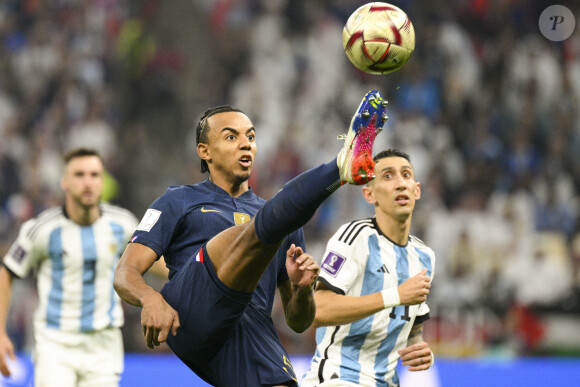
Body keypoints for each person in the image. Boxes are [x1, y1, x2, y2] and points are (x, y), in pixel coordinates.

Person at [113, 90, 389, 387]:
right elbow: (125, 273)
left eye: (251, 137)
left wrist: (303, 289)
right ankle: (340, 168)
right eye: (231, 137)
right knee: (249, 232)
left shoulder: (283, 219)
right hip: (192, 312)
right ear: (204, 151)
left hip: (250, 328)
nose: (246, 143)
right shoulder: (177, 200)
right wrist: (151, 299)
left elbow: (298, 322)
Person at [0, 148, 139, 386]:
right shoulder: (42, 229)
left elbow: (152, 261)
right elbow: (7, 273)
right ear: (65, 181)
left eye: (95, 175)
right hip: (56, 344)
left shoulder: (123, 224)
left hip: (104, 346)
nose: (88, 182)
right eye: (79, 174)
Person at [301, 149, 436, 387]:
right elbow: (318, 310)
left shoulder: (424, 256)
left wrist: (417, 346)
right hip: (338, 378)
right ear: (369, 194)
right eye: (388, 176)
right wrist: (395, 295)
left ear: (417, 190)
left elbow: (413, 323)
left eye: (406, 175)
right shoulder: (355, 238)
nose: (400, 184)